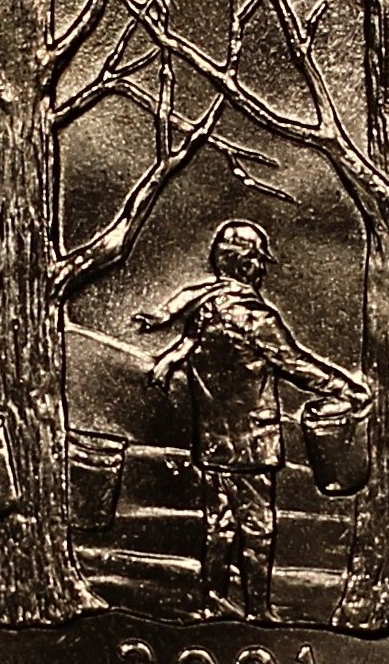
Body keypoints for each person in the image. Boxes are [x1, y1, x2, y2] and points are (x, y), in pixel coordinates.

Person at [136, 221, 369, 622]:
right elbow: (295, 364)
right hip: (253, 442)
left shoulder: (204, 311)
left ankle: (212, 601)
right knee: (258, 527)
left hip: (213, 440)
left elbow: (185, 349)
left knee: (219, 523)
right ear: (247, 266)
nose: (262, 269)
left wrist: (166, 361)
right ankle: (258, 610)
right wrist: (346, 389)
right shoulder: (255, 318)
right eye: (259, 261)